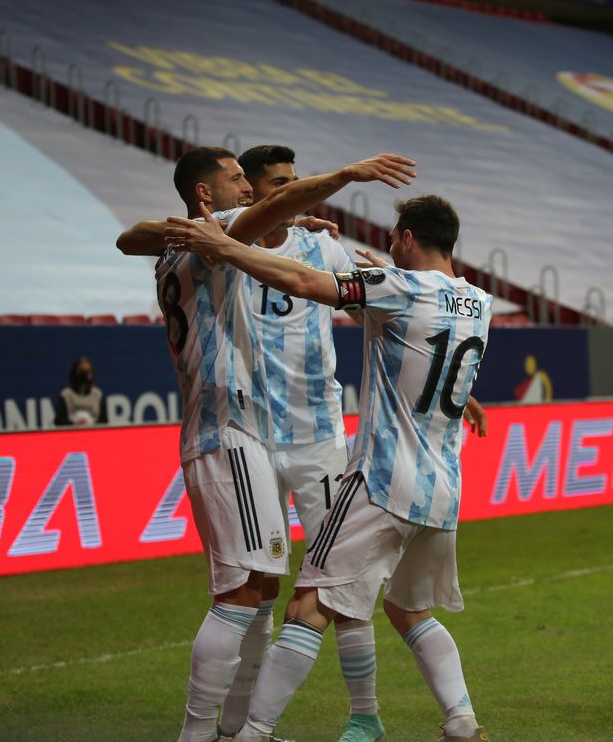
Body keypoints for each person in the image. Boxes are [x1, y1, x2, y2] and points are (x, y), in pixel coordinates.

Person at [165, 194, 493, 742]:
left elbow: (303, 284)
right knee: (406, 609)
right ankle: (461, 721)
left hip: (382, 480)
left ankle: (254, 733)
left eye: (394, 235)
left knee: (306, 603)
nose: (390, 243)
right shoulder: (479, 302)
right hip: (444, 488)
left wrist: (225, 246)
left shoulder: (401, 288)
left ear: (408, 237)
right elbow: (424, 336)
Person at [122, 145, 415, 742]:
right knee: (242, 590)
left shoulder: (191, 244)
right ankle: (204, 733)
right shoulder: (214, 238)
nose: (254, 194)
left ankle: (251, 726)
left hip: (291, 430)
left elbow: (132, 238)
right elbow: (150, 234)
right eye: (241, 182)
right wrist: (346, 176)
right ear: (208, 195)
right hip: (233, 428)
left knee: (274, 585)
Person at [54, 357, 106, 426]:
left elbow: (104, 421)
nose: (84, 374)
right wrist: (74, 424)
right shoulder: (66, 395)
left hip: (93, 432)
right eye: (81, 371)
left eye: (87, 371)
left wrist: (90, 424)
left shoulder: (97, 394)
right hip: (71, 433)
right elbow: (59, 420)